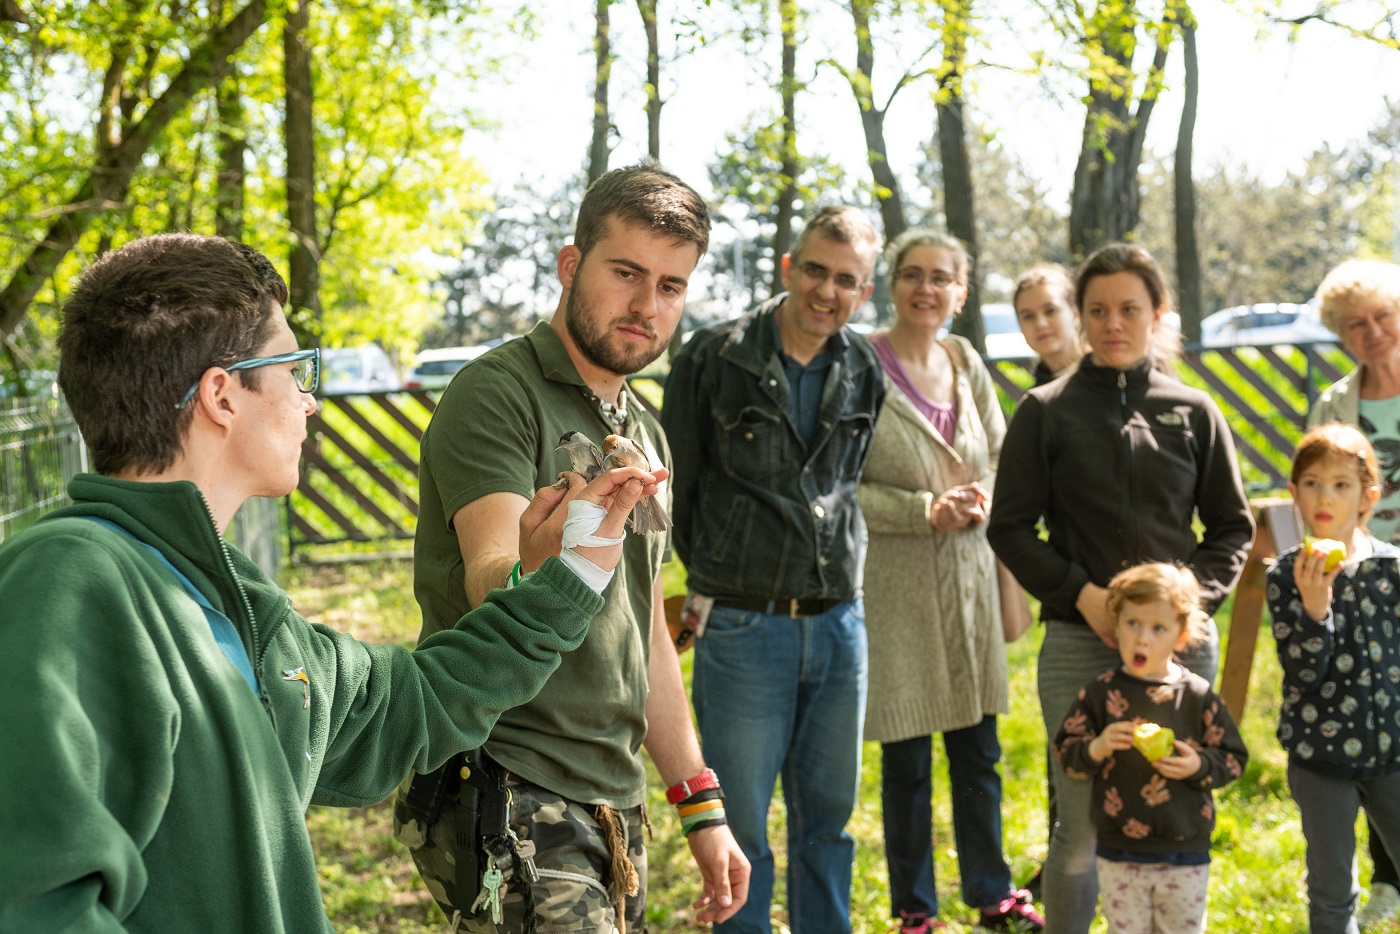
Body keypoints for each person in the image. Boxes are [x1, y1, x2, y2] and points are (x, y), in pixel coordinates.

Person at [0, 233, 664, 932]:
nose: (309, 401)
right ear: (223, 395)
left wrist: (574, 570)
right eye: (296, 370)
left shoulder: (233, 603)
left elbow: (413, 701)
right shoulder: (67, 583)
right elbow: (34, 902)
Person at [398, 162, 749, 932]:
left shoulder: (643, 430)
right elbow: (492, 581)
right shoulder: (497, 392)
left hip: (614, 798)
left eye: (670, 286)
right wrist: (543, 560)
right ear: (570, 265)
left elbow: (644, 628)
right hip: (514, 779)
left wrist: (699, 803)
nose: (645, 305)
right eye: (626, 273)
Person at [986, 242, 1254, 934]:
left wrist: (1183, 610)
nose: (1113, 324)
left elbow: (1232, 527)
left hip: (1181, 655)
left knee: (1174, 816)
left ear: (1157, 313)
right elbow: (1009, 529)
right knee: (1076, 832)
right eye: (1097, 310)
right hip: (1079, 644)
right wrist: (1084, 595)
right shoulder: (1045, 411)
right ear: (1079, 316)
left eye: (1130, 309)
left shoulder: (1194, 410)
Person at [661, 205, 886, 934]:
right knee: (742, 829)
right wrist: (714, 578)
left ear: (864, 290)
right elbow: (681, 485)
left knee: (828, 826)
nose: (828, 291)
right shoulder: (713, 356)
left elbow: (846, 483)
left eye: (846, 280)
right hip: (744, 624)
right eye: (816, 270)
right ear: (789, 267)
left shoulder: (863, 367)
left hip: (839, 622)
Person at [857, 230, 1043, 933]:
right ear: (892, 284)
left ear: (960, 292)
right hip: (897, 591)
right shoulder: (862, 364)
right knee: (906, 763)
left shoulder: (964, 358)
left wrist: (986, 496)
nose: (925, 289)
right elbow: (840, 485)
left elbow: (1001, 455)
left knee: (980, 755)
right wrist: (920, 510)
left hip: (969, 586)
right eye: (912, 274)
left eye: (941, 278)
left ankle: (992, 893)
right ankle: (914, 910)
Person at [1053, 562, 1248, 934]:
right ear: (1116, 624)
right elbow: (1067, 755)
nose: (1143, 638)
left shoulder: (1197, 696)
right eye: (1133, 624)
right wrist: (1097, 747)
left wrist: (1199, 766)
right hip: (1119, 851)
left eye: (1158, 628)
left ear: (1181, 634)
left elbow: (1234, 759)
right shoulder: (1100, 693)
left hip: (1184, 850)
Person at [1267, 423, 1400, 934]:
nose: (1325, 496)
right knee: (1331, 888)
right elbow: (1303, 673)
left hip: (1393, 752)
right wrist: (1315, 610)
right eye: (1312, 483)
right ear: (1294, 493)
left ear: (1369, 497)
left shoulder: (1391, 570)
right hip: (1321, 760)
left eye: (1341, 485)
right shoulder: (1287, 575)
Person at [1304, 257, 1400, 928]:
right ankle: (1387, 877)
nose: (1374, 333)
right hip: (1369, 586)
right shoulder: (1335, 405)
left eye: (1384, 317)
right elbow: (1319, 491)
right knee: (1380, 729)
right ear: (1341, 337)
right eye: (1356, 326)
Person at [1012, 263, 1083, 386]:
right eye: (1028, 316)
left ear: (1075, 313)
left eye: (1050, 311)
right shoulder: (1034, 400)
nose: (1040, 324)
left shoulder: (1110, 374)